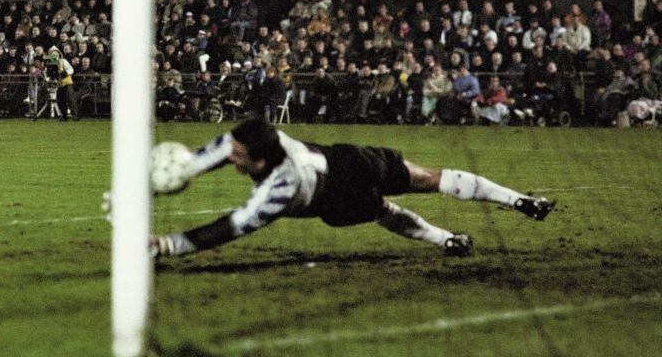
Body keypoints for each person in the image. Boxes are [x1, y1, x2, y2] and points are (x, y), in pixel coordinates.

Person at [151, 117, 556, 259]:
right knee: (410, 191)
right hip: (345, 162)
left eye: (238, 155)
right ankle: (452, 238)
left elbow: (233, 225)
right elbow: (196, 161)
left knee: (393, 204)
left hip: (338, 189)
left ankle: (512, 203)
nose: (229, 156)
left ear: (258, 161)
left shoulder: (279, 188)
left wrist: (170, 244)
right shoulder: (254, 141)